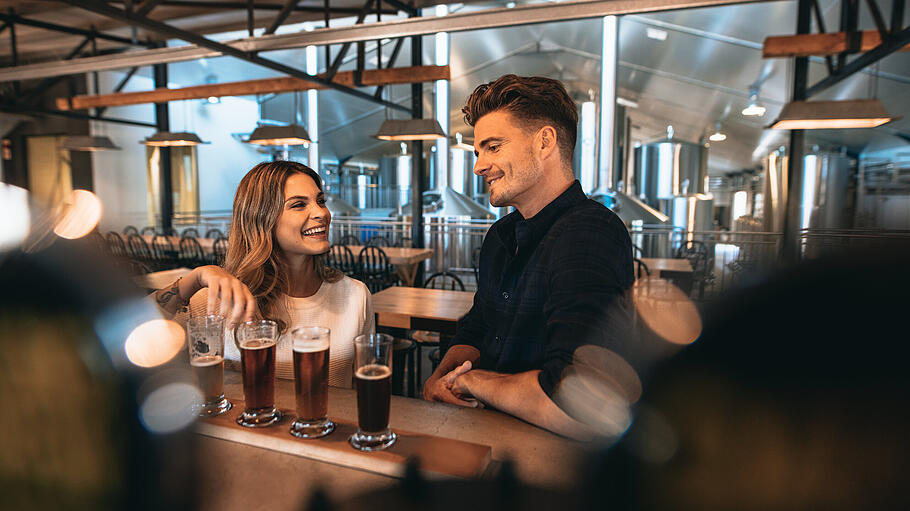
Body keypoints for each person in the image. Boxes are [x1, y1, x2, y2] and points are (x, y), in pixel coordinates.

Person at [422, 75, 634, 439]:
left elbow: (582, 399)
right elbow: (480, 325)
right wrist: (441, 381)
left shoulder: (589, 233)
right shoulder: (501, 236)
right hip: (483, 435)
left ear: (545, 142)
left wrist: (472, 382)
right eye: (478, 152)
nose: (478, 166)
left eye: (493, 147)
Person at [154, 160, 374, 387]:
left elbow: (361, 391)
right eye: (298, 205)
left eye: (320, 201)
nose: (321, 213)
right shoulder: (216, 300)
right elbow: (126, 338)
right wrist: (196, 278)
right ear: (262, 219)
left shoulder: (356, 295)